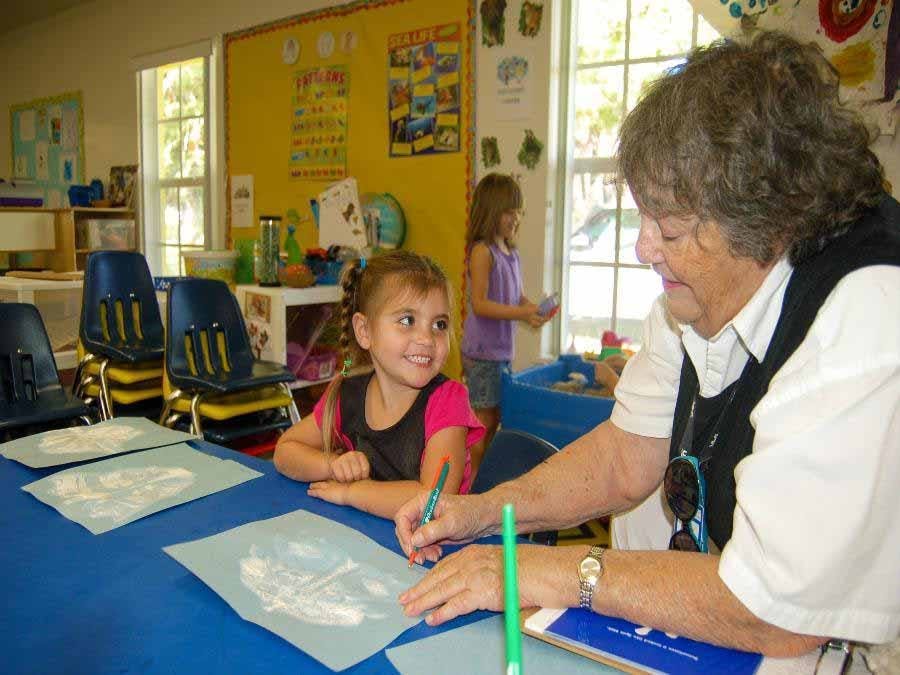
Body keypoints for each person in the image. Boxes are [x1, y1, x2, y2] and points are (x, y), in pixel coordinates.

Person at [394, 30, 900, 658]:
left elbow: (775, 608)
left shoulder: (869, 317)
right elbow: (625, 458)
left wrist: (544, 571)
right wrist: (481, 512)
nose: (643, 248)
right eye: (644, 216)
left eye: (671, 226)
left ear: (768, 221)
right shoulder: (697, 289)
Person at [274, 250, 484, 519]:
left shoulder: (448, 401)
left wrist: (351, 493)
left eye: (439, 324)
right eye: (407, 320)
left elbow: (432, 500)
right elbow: (284, 451)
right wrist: (333, 464)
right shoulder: (346, 392)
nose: (427, 338)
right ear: (364, 331)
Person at [461, 173, 550, 474]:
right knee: (482, 424)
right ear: (492, 211)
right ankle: (469, 488)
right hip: (483, 353)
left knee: (496, 418)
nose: (516, 218)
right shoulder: (482, 251)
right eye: (509, 211)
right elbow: (480, 304)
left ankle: (481, 481)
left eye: (519, 211)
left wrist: (533, 309)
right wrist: (522, 314)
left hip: (501, 354)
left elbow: (517, 296)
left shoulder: (511, 253)